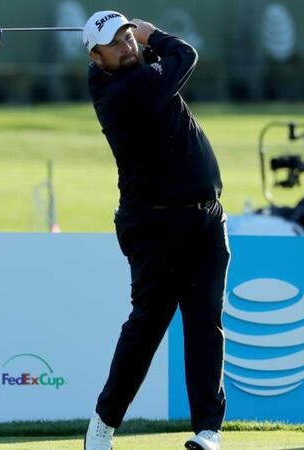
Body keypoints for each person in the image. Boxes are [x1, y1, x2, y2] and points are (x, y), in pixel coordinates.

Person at [83, 11, 227, 450]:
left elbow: (164, 62)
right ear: (96, 58)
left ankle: (208, 430)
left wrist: (142, 41)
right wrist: (153, 34)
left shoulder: (138, 73)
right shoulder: (121, 91)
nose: (127, 45)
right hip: (155, 224)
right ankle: (103, 424)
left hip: (205, 219)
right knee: (147, 327)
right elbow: (186, 55)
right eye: (115, 43)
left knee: (205, 321)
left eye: (128, 37)